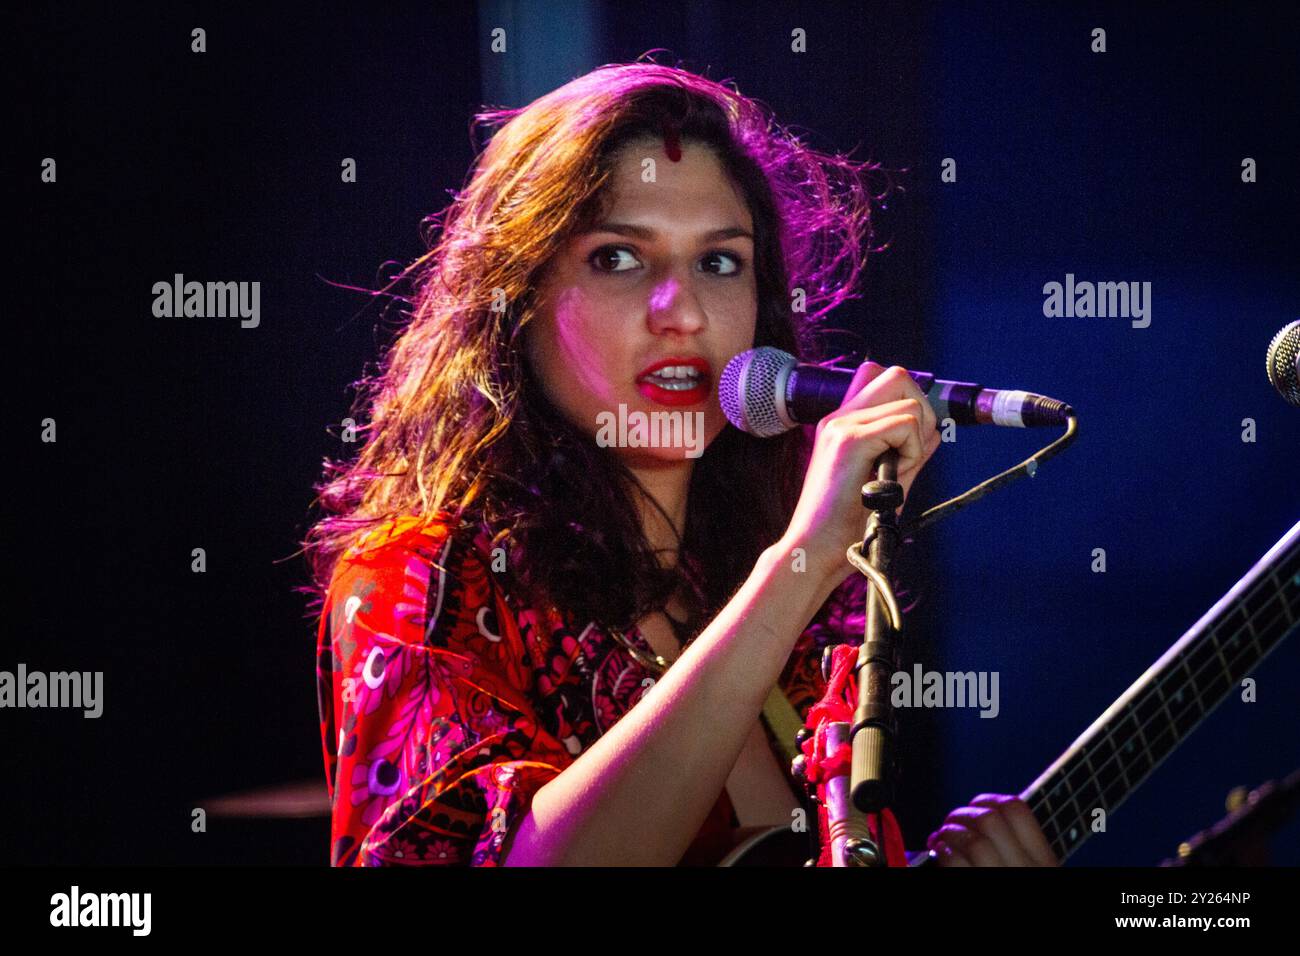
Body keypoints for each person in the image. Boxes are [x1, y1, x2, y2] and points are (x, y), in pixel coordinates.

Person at [303, 62, 1058, 867]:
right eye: (619, 259)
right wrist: (802, 563)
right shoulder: (418, 584)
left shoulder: (794, 622)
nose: (685, 312)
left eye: (720, 263)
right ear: (516, 300)